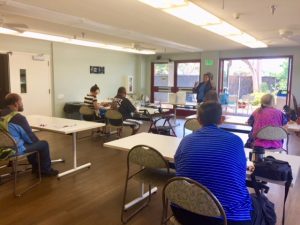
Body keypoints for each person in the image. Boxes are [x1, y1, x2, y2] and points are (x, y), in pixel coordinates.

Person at [173, 102, 253, 225]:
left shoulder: (186, 140)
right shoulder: (236, 141)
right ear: (221, 120)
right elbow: (240, 174)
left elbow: (178, 165)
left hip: (183, 210)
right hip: (226, 218)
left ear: (198, 120)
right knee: (262, 205)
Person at [0, 93, 58, 176]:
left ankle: (36, 167)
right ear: (16, 103)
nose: (22, 104)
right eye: (21, 101)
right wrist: (38, 144)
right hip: (12, 150)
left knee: (27, 142)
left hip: (1, 149)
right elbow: (31, 139)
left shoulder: (1, 114)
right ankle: (45, 170)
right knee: (43, 144)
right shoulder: (17, 118)